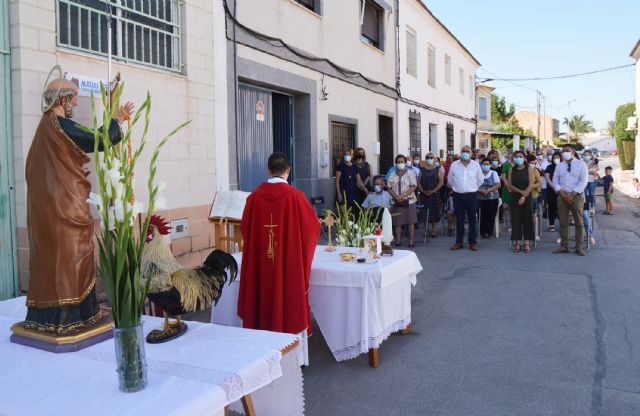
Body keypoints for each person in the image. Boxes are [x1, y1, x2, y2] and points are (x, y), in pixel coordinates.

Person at [24, 77, 134, 333]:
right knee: (73, 258)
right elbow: (100, 139)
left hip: (48, 210)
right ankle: (75, 317)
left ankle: (48, 318)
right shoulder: (61, 126)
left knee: (54, 261)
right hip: (66, 208)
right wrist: (117, 119)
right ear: (62, 100)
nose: (75, 102)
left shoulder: (44, 129)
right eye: (72, 97)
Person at [238, 152, 321, 338]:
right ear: (288, 170)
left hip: (261, 266)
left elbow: (246, 229)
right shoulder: (296, 197)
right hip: (287, 266)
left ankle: (259, 344)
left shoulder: (253, 198)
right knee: (288, 292)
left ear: (268, 171)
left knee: (260, 293)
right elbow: (312, 229)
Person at [552, 144, 588, 256]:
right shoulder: (560, 166)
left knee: (579, 223)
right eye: (563, 151)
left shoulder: (581, 164)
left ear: (573, 152)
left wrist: (572, 195)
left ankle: (579, 247)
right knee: (563, 222)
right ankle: (564, 246)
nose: (564, 153)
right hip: (562, 196)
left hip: (576, 196)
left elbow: (584, 181)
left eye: (566, 150)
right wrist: (563, 194)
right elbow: (555, 180)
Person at [448, 145, 484, 251]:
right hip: (458, 195)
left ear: (471, 153)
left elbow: (480, 180)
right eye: (463, 151)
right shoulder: (454, 165)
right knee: (459, 219)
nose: (465, 153)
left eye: (467, 151)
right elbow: (450, 180)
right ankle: (459, 242)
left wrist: (473, 188)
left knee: (472, 219)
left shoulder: (476, 165)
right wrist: (457, 188)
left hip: (472, 195)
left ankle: (472, 242)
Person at [388, 154, 418, 248]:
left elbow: (413, 186)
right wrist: (396, 197)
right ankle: (398, 240)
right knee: (397, 222)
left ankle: (411, 241)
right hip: (396, 201)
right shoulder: (392, 174)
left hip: (409, 201)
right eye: (398, 162)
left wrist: (403, 195)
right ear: (396, 163)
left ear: (405, 163)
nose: (400, 163)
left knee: (410, 222)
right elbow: (389, 187)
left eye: (402, 162)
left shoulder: (410, 173)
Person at [508, 151, 535, 253]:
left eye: (520, 156)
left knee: (527, 218)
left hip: (527, 197)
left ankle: (526, 243)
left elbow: (531, 183)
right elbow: (510, 184)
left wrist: (523, 196)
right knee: (516, 219)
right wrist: (520, 192)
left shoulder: (528, 169)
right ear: (513, 158)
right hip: (515, 196)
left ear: (524, 158)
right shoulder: (511, 170)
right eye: (516, 157)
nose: (518, 158)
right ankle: (517, 243)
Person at [418, 153, 444, 237]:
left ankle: (433, 229)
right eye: (427, 157)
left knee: (434, 210)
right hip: (424, 194)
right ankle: (426, 230)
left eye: (431, 157)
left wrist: (434, 190)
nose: (429, 159)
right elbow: (418, 181)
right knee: (424, 211)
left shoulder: (438, 169)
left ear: (435, 159)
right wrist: (422, 191)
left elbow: (441, 182)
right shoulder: (422, 169)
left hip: (434, 194)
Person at [478, 158, 501, 239]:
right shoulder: (478, 174)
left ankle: (490, 232)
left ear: (490, 165)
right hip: (480, 197)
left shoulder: (493, 173)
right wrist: (480, 190)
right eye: (484, 164)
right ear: (481, 165)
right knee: (482, 215)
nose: (486, 166)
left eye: (487, 164)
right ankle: (482, 232)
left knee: (491, 215)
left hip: (492, 197)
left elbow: (498, 185)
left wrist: (489, 190)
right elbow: (474, 184)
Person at [526, 154, 543, 242]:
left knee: (534, 215)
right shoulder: (522, 170)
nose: (533, 164)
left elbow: (539, 183)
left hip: (533, 195)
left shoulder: (535, 171)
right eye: (531, 163)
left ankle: (536, 234)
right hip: (522, 195)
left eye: (534, 162)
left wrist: (531, 186)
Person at [544, 152, 562, 232]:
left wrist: (560, 189)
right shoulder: (549, 167)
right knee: (552, 207)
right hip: (551, 190)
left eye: (558, 157)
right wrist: (555, 187)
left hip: (562, 190)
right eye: (554, 157)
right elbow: (547, 178)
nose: (556, 159)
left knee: (562, 207)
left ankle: (562, 224)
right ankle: (552, 224)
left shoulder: (564, 167)